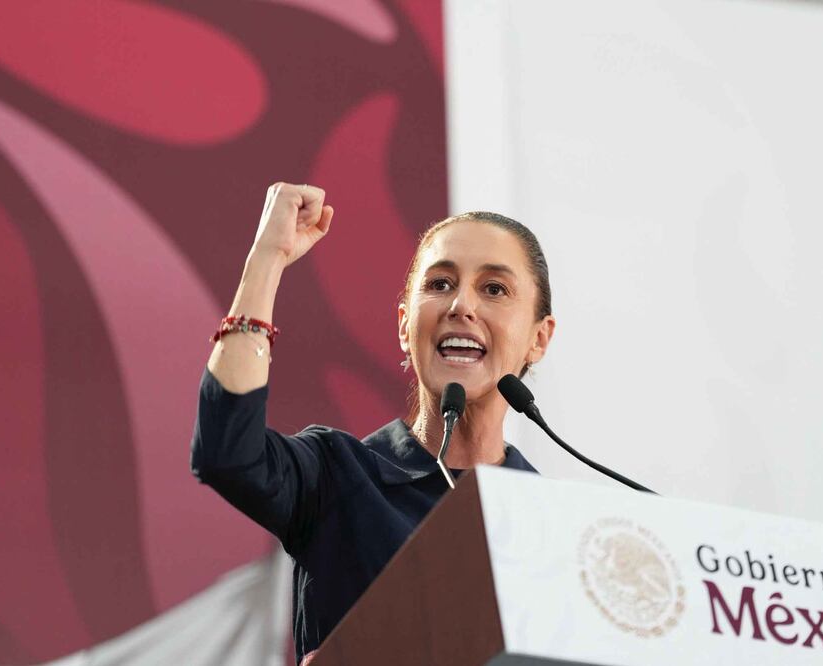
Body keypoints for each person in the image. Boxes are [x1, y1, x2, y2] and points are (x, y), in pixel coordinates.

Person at [190, 182, 556, 664]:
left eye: (494, 289)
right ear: (405, 326)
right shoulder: (338, 474)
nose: (460, 306)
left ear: (538, 338)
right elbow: (227, 453)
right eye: (440, 284)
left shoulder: (553, 523)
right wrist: (268, 258)